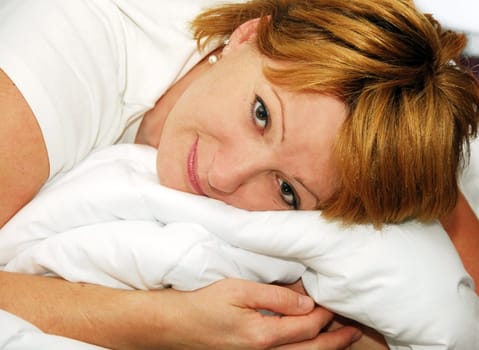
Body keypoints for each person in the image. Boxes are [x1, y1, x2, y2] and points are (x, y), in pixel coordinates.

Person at [0, 0, 477, 349]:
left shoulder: (383, 126)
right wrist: (159, 323)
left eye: (287, 190)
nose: (226, 176)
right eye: (261, 114)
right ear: (246, 36)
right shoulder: (72, 53)